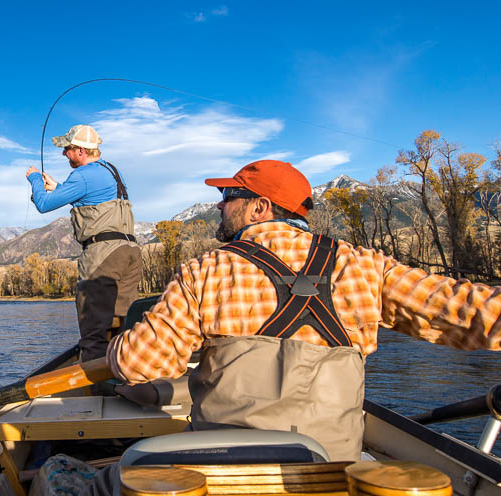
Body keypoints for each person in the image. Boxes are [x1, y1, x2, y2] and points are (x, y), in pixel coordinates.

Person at [78, 159, 501, 493]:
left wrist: (115, 347)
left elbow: (138, 363)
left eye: (230, 195)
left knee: (89, 480)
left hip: (222, 476)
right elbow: (470, 312)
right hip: (332, 476)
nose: (221, 204)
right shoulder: (364, 266)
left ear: (260, 207)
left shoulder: (206, 270)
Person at [26, 124, 141, 362]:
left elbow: (43, 204)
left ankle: (94, 390)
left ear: (80, 151)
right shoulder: (110, 171)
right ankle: (125, 382)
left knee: (95, 331)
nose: (63, 154)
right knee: (123, 328)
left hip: (103, 256)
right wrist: (60, 188)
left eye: (67, 149)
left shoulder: (82, 175)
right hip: (130, 252)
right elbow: (92, 200)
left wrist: (35, 179)